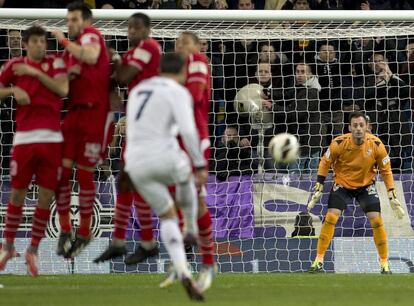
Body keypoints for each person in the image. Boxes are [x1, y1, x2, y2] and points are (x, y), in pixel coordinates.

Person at [124, 53, 207, 301]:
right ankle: (190, 227)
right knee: (187, 177)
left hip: (135, 162)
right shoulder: (177, 90)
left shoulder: (138, 89)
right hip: (164, 155)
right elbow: (188, 129)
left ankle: (182, 270)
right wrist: (200, 163)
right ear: (183, 71)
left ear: (159, 69)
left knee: (167, 215)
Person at [0, 26, 68, 276]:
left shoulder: (56, 64)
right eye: (35, 41)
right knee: (18, 193)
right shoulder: (12, 66)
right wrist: (12, 90)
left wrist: (34, 73)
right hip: (24, 139)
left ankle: (34, 249)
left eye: (43, 41)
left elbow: (63, 90)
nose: (40, 45)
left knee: (45, 196)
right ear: (26, 44)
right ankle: (7, 246)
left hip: (52, 139)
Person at [93, 12, 161, 264]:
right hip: (135, 121)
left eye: (137, 28)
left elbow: (122, 77)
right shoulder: (133, 54)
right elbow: (114, 81)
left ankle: (148, 241)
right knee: (127, 180)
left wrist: (113, 59)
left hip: (149, 122)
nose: (131, 32)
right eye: (129, 28)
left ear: (147, 30)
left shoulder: (150, 48)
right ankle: (132, 242)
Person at [307, 111, 405, 274]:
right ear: (349, 128)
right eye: (355, 125)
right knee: (331, 217)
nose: (359, 128)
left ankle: (384, 264)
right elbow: (325, 162)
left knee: (377, 221)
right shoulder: (338, 143)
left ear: (367, 127)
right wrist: (320, 183)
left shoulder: (376, 144)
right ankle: (318, 260)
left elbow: (386, 170)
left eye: (361, 125)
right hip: (343, 185)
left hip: (366, 187)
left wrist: (391, 193)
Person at [52, 2, 111, 258]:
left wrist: (63, 41)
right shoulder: (69, 53)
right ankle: (66, 229)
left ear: (86, 20)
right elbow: (62, 89)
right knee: (61, 173)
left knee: (84, 175)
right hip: (73, 114)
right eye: (69, 20)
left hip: (94, 115)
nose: (71, 24)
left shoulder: (91, 36)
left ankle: (85, 231)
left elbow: (91, 56)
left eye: (75, 19)